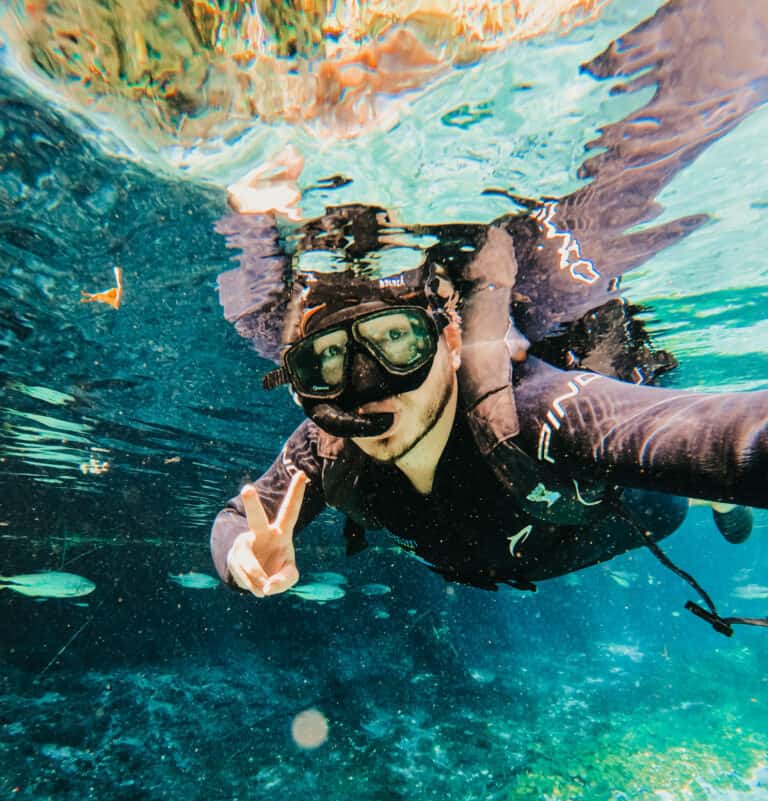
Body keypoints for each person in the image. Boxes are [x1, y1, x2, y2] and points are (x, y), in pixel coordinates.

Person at [210, 0, 768, 633]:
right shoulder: (325, 447)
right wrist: (241, 558)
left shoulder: (538, 414)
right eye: (329, 360)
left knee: (681, 498)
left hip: (637, 512)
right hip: (491, 560)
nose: (364, 388)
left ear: (449, 339)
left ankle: (710, 505)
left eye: (397, 341)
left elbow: (729, 436)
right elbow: (238, 518)